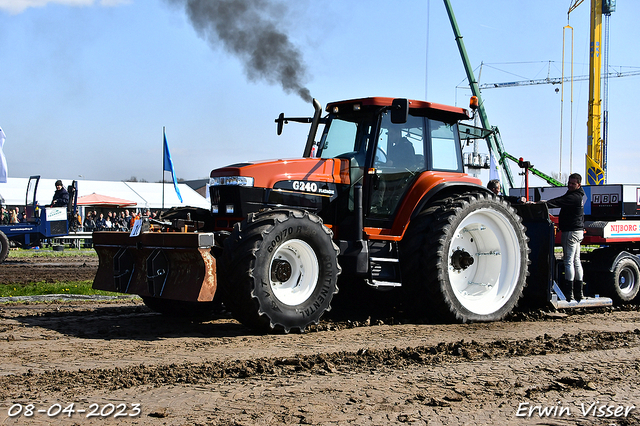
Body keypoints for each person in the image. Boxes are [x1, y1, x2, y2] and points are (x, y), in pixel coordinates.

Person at [540, 173, 586, 302]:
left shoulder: (574, 197)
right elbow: (561, 200)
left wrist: (544, 204)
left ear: (579, 184)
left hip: (571, 232)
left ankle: (569, 293)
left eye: (573, 184)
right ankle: (579, 292)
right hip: (578, 231)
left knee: (568, 261)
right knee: (576, 261)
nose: (570, 185)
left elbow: (559, 202)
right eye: (569, 183)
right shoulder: (577, 195)